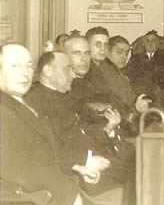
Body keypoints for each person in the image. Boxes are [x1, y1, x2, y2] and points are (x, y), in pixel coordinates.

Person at [26, 51, 131, 204]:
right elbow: (50, 146)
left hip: (94, 161)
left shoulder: (66, 97)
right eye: (67, 69)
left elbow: (85, 129)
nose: (73, 75)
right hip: (74, 173)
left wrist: (108, 129)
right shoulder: (37, 101)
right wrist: (87, 160)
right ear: (48, 71)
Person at [0, 44, 84, 205]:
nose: (25, 73)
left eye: (29, 66)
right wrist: (68, 192)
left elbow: (48, 148)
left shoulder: (20, 102)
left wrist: (78, 166)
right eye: (15, 66)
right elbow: (21, 170)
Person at [125, 30, 164, 97]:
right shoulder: (136, 58)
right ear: (143, 44)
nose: (150, 43)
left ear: (158, 43)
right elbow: (126, 72)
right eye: (147, 41)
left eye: (153, 41)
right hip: (140, 92)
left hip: (161, 93)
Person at [103, 35, 152, 114]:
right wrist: (136, 108)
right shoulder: (106, 71)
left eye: (126, 53)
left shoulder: (117, 70)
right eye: (119, 52)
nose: (124, 57)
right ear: (107, 52)